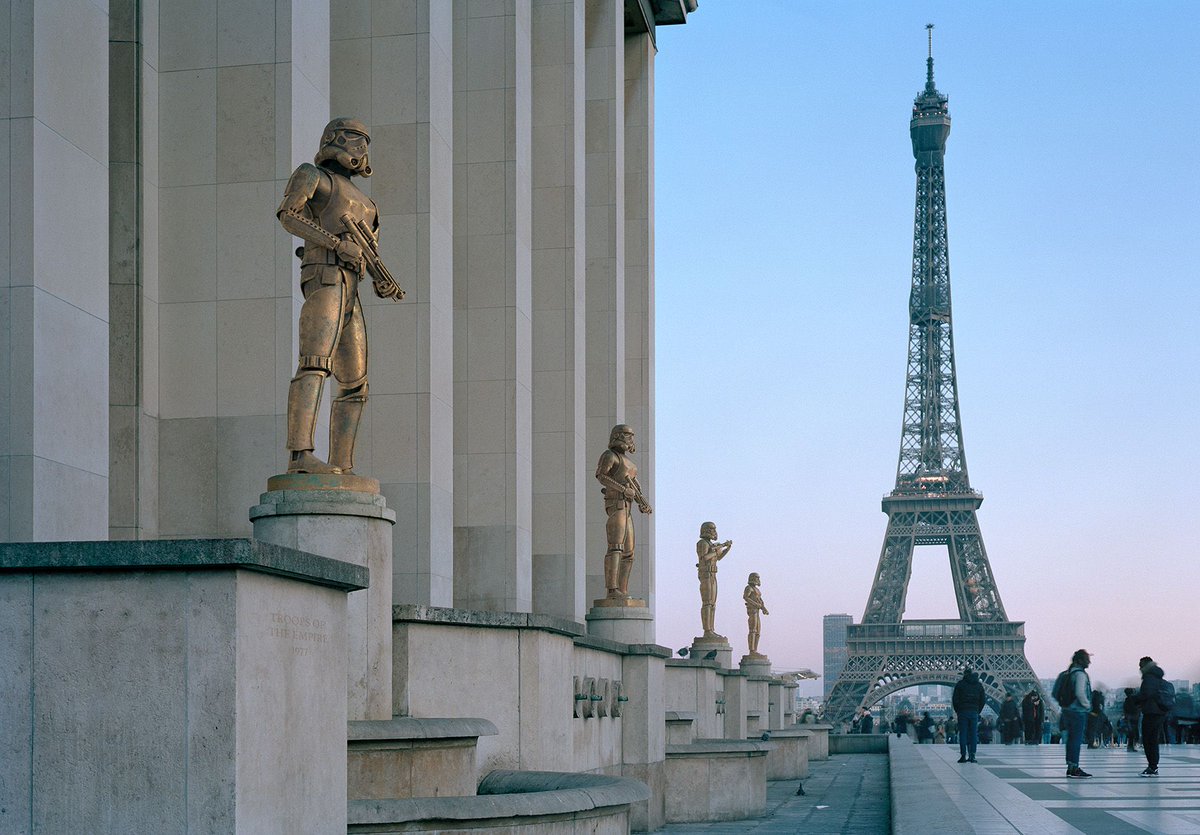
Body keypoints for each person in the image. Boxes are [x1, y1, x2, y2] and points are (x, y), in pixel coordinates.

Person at [277, 118, 404, 475]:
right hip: (324, 274)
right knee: (315, 362)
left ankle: (342, 466)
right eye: (354, 139)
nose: (360, 149)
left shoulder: (369, 204)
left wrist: (381, 279)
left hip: (352, 285)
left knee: (355, 382)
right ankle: (300, 456)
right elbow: (288, 215)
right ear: (334, 139)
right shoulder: (313, 176)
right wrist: (335, 243)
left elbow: (369, 252)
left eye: (365, 141)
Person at [594, 424, 652, 600]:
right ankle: (612, 590)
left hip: (628, 507)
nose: (631, 439)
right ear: (618, 436)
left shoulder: (631, 464)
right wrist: (622, 489)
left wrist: (641, 501)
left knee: (629, 552)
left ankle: (623, 590)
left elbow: (635, 487)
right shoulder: (610, 456)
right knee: (616, 547)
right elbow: (601, 476)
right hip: (616, 504)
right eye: (628, 435)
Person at [695, 523, 733, 638]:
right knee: (707, 603)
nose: (714, 531)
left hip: (713, 574)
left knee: (712, 604)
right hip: (706, 574)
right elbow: (704, 557)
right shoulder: (702, 543)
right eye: (712, 529)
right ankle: (707, 630)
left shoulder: (711, 544)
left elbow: (719, 558)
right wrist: (716, 549)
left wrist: (727, 548)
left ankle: (711, 629)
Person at [1061, 648, 1094, 778]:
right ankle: (1074, 768)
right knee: (1076, 740)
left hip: (1067, 710)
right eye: (1087, 659)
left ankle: (1071, 766)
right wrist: (1088, 705)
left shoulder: (1068, 673)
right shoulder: (1080, 674)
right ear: (1080, 661)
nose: (1089, 662)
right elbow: (1080, 693)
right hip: (1077, 711)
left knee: (1071, 740)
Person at [1137, 656, 1169, 776]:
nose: (1139, 668)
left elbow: (1146, 694)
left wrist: (1135, 699)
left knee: (1149, 740)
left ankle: (1152, 766)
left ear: (1146, 665)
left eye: (1141, 665)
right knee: (1153, 740)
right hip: (1159, 712)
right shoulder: (1157, 676)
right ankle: (1153, 766)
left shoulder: (1149, 677)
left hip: (1151, 712)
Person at [952, 667, 984, 763]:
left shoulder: (960, 684)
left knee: (963, 734)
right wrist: (977, 710)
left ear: (964, 674)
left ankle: (963, 756)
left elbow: (955, 699)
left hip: (963, 712)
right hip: (974, 711)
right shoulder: (978, 685)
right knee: (973, 734)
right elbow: (983, 700)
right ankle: (972, 755)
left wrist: (958, 710)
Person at [742, 573, 769, 654]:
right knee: (753, 630)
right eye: (756, 578)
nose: (758, 579)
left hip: (757, 611)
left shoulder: (757, 590)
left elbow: (760, 600)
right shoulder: (749, 588)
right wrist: (756, 604)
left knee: (757, 631)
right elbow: (746, 597)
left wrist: (764, 608)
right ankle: (752, 650)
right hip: (752, 611)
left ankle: (755, 650)